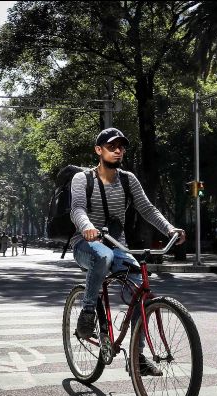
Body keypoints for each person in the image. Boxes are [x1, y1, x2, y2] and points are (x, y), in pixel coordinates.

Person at [70, 127, 186, 377]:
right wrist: (88, 227)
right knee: (103, 256)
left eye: (121, 147)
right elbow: (77, 209)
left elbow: (148, 209)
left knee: (141, 292)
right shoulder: (82, 179)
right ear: (98, 151)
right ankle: (88, 311)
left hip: (118, 245)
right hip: (85, 245)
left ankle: (136, 355)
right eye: (112, 147)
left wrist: (169, 229)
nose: (118, 151)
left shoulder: (127, 179)